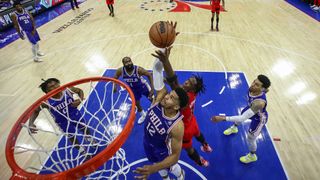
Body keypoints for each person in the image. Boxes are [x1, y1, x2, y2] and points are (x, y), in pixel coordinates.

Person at [133, 47, 189, 180]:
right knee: (159, 168)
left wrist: (153, 169)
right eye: (169, 94)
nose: (166, 97)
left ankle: (180, 176)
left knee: (170, 167)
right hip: (147, 143)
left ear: (176, 106)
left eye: (171, 98)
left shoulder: (177, 126)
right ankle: (165, 178)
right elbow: (157, 70)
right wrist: (163, 51)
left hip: (162, 151)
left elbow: (175, 156)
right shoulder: (160, 98)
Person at [211, 75, 271, 164]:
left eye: (257, 85)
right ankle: (234, 128)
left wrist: (222, 118)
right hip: (252, 108)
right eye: (254, 81)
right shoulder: (253, 89)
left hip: (259, 118)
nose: (253, 84)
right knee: (241, 115)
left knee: (250, 138)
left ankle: (252, 156)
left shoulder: (259, 103)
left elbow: (243, 118)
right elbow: (266, 90)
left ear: (261, 89)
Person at [29, 78, 93, 154]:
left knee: (84, 128)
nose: (55, 86)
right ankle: (81, 150)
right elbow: (36, 111)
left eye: (56, 84)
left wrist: (80, 99)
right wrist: (31, 123)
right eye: (51, 87)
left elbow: (79, 91)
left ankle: (89, 139)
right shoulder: (46, 102)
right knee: (72, 137)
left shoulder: (68, 90)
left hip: (75, 115)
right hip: (63, 122)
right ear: (47, 92)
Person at [113, 57, 154, 124]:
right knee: (137, 104)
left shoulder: (138, 69)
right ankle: (143, 115)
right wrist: (115, 86)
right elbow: (115, 78)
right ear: (123, 64)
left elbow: (149, 75)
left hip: (143, 87)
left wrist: (152, 89)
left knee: (152, 99)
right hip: (133, 89)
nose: (129, 63)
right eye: (126, 62)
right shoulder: (120, 71)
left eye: (129, 61)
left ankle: (159, 111)